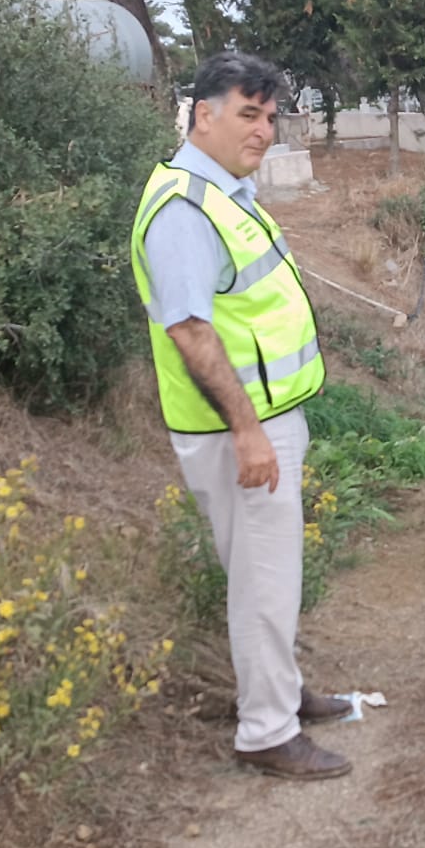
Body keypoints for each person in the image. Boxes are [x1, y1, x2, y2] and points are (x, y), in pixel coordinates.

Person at [129, 51, 354, 780]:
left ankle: (282, 695)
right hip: (238, 432)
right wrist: (249, 431)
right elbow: (191, 331)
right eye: (248, 114)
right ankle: (265, 731)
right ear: (204, 115)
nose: (263, 130)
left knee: (271, 574)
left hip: (260, 422)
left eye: (269, 115)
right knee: (261, 581)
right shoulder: (185, 211)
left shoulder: (223, 192)